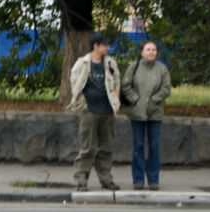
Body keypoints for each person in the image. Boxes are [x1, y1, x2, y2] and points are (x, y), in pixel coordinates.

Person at [67, 34, 121, 192]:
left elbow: (117, 82)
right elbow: (74, 84)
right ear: (96, 46)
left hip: (107, 111)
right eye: (105, 45)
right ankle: (81, 181)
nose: (108, 48)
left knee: (106, 147)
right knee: (87, 147)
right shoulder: (82, 63)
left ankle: (106, 179)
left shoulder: (110, 63)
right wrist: (82, 104)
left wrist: (115, 102)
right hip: (89, 111)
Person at [120, 40, 171, 190]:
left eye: (153, 50)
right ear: (142, 52)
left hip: (155, 113)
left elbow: (166, 88)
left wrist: (155, 99)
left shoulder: (162, 69)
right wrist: (135, 99)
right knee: (138, 146)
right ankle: (138, 179)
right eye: (148, 49)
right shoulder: (133, 67)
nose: (151, 52)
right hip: (137, 113)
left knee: (154, 146)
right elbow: (125, 85)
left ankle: (154, 179)